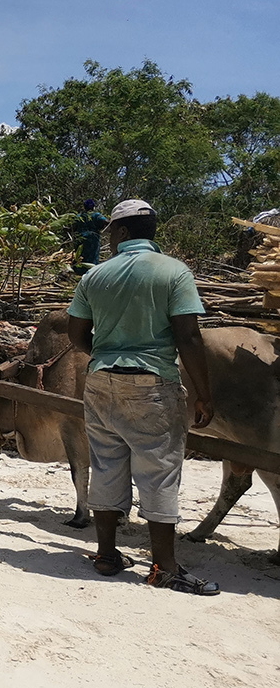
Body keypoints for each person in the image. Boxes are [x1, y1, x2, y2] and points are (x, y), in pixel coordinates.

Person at [67, 199, 219, 595]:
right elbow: (187, 335)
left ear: (119, 233)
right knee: (159, 470)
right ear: (151, 232)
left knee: (105, 464)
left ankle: (106, 555)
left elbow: (76, 334)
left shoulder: (95, 277)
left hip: (100, 381)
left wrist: (103, 354)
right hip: (154, 383)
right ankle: (164, 567)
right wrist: (203, 395)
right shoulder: (173, 272)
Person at [72, 199, 110, 272]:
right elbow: (105, 222)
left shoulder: (79, 216)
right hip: (93, 239)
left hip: (80, 238)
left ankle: (77, 271)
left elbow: (73, 227)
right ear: (93, 207)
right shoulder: (96, 215)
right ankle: (91, 273)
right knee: (92, 257)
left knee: (79, 255)